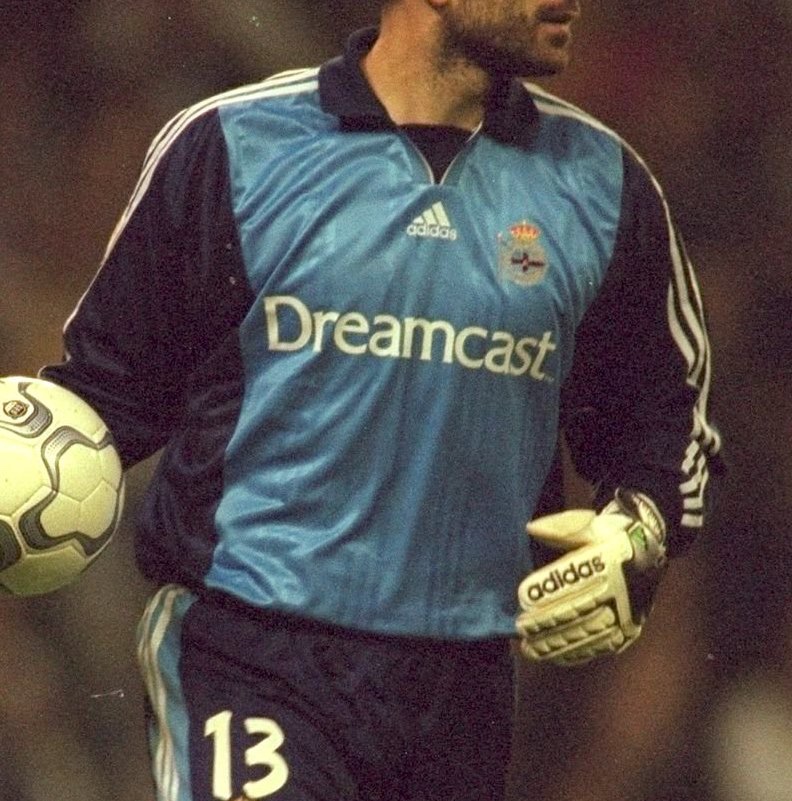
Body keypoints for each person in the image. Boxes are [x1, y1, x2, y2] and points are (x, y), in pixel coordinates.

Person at [38, 1, 723, 799]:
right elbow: (103, 395)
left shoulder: (605, 182)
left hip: (464, 685)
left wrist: (638, 530)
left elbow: (665, 429)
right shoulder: (233, 144)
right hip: (253, 650)